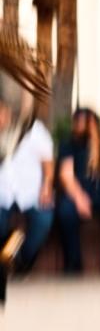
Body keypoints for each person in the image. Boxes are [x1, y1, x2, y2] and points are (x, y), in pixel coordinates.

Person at [56, 108, 100, 274]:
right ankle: (73, 263)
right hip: (77, 192)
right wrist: (80, 198)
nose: (81, 126)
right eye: (78, 122)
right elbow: (66, 176)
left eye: (85, 122)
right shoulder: (68, 144)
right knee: (66, 212)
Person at [0, 106, 54, 274]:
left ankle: (24, 260)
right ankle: (7, 256)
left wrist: (46, 186)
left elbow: (48, 162)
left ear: (9, 111)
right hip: (3, 193)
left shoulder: (35, 131)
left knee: (43, 220)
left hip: (31, 192)